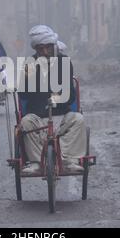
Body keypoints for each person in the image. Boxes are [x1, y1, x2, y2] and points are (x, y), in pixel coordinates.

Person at [18, 25, 87, 174]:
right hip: (38, 119)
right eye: (40, 49)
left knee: (78, 119)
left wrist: (56, 98)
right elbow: (23, 93)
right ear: (36, 49)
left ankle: (68, 160)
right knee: (25, 122)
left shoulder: (64, 61)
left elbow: (69, 94)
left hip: (61, 117)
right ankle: (36, 163)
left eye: (48, 47)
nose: (44, 52)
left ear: (53, 46)